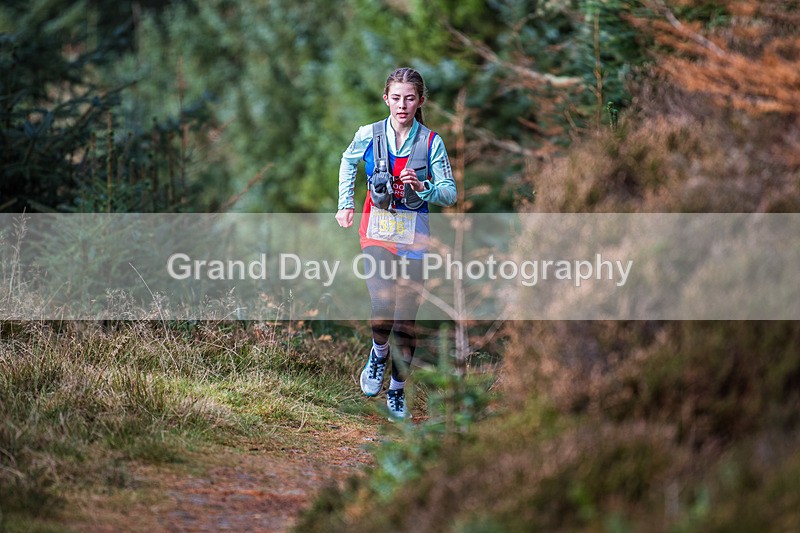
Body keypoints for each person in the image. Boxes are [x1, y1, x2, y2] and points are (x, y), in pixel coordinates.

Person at [335, 67, 457, 420]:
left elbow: (450, 194)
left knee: (406, 317)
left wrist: (423, 186)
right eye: (396, 98)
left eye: (410, 98)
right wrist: (346, 203)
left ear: (420, 101)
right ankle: (378, 352)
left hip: (414, 236)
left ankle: (398, 389)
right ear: (386, 98)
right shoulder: (369, 134)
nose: (402, 105)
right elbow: (347, 161)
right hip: (376, 231)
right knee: (382, 303)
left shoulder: (431, 142)